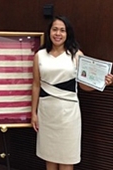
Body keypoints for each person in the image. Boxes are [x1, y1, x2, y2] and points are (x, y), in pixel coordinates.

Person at [31, 16, 113, 170]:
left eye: (62, 30)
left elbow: (84, 85)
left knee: (67, 157)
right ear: (49, 32)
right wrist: (33, 113)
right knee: (49, 157)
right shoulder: (39, 55)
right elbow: (36, 85)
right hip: (47, 112)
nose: (58, 33)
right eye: (54, 29)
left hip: (68, 113)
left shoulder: (76, 55)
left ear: (68, 33)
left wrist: (102, 82)